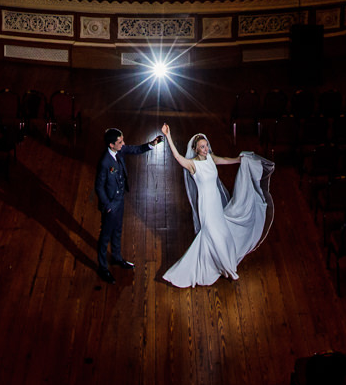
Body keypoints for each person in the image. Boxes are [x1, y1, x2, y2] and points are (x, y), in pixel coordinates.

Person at [158, 122, 276, 288]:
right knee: (212, 234)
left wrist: (238, 160)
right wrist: (168, 136)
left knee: (222, 235)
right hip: (205, 206)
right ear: (195, 149)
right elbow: (177, 157)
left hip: (216, 205)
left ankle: (215, 265)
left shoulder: (210, 159)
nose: (205, 149)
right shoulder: (193, 165)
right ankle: (227, 269)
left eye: (206, 146)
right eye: (202, 147)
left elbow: (225, 160)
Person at [94, 126, 163, 283]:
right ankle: (103, 268)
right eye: (120, 141)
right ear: (111, 145)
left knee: (118, 230)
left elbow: (135, 149)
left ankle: (117, 257)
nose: (123, 143)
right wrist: (108, 205)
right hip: (111, 204)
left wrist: (151, 144)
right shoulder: (105, 162)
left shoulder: (120, 151)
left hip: (120, 200)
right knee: (105, 237)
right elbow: (99, 186)